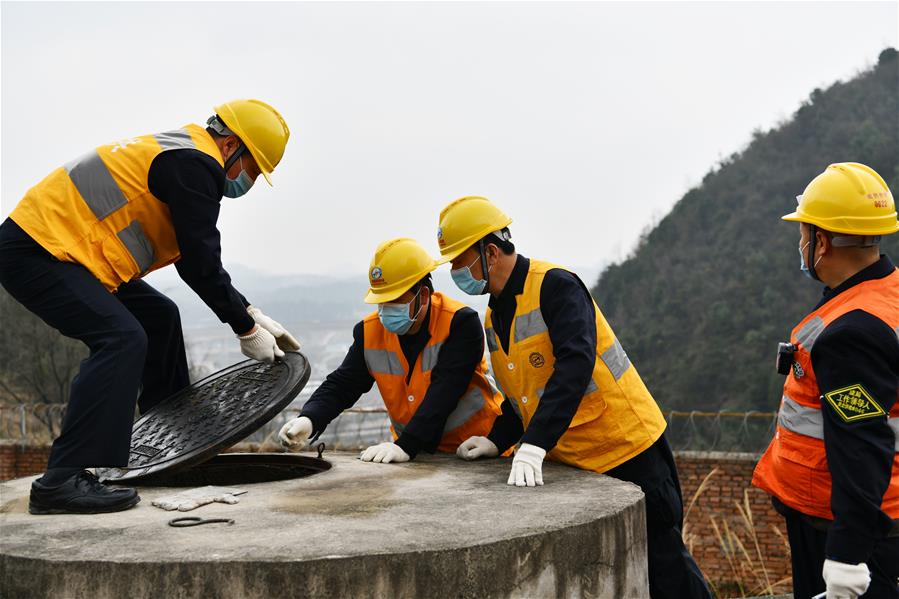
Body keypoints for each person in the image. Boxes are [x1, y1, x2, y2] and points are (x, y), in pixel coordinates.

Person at [0, 99, 300, 515]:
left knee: (159, 317)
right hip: (39, 251)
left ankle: (175, 446)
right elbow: (199, 261)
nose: (246, 181)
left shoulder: (183, 152)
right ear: (231, 145)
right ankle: (62, 480)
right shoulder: (197, 165)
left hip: (68, 253)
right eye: (251, 168)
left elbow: (191, 258)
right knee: (121, 338)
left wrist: (249, 312)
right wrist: (244, 328)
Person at [438, 196, 712, 599]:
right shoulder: (494, 315)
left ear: (490, 252)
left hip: (627, 448)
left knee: (663, 565)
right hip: (577, 456)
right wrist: (499, 438)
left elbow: (575, 365)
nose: (456, 274)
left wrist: (534, 445)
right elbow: (522, 393)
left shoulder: (555, 285)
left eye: (459, 264)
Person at [752, 163, 899, 599]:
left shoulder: (852, 334)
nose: (800, 244)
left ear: (822, 242)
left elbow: (860, 445)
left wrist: (846, 557)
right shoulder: (883, 294)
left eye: (804, 234)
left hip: (842, 524)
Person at [278, 237, 503, 462]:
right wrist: (310, 418)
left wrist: (406, 445)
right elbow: (343, 384)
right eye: (381, 300)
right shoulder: (369, 332)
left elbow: (445, 391)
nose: (385, 310)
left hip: (475, 450)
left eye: (394, 299)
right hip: (414, 454)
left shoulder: (459, 323)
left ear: (423, 295)